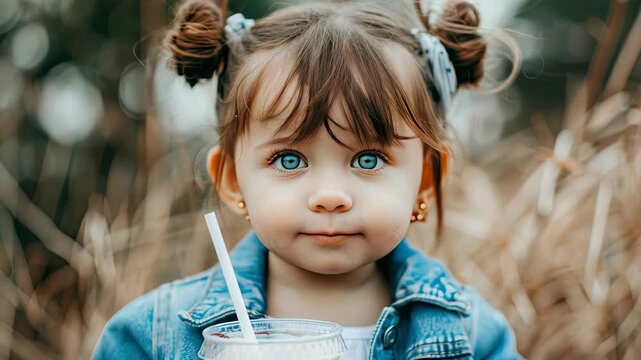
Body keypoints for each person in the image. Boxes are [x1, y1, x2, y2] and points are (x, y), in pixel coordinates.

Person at [93, 0, 522, 358]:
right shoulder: (154, 336)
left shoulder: (472, 337)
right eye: (290, 160)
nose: (330, 196)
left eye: (369, 160)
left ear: (426, 179)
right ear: (232, 180)